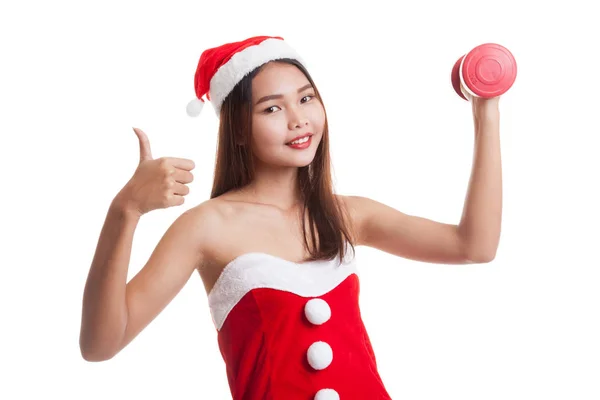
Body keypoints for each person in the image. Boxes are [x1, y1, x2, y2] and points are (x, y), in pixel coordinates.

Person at [79, 35, 502, 399]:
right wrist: (126, 211)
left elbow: (474, 246)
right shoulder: (206, 226)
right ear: (238, 130)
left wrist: (486, 111)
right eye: (272, 109)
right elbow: (101, 344)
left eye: (305, 98)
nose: (299, 119)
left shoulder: (347, 214)